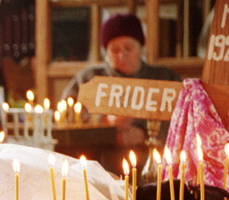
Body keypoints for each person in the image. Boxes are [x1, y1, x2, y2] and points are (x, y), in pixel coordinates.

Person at [62, 13, 180, 149]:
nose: (122, 55)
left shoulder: (164, 78)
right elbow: (66, 118)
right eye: (114, 50)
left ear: (140, 47)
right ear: (106, 52)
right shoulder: (87, 79)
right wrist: (104, 123)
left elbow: (183, 121)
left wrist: (145, 135)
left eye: (128, 48)